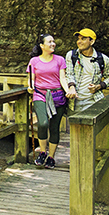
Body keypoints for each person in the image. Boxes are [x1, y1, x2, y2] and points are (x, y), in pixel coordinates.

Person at [27, 34, 74, 169]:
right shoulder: (34, 61)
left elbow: (62, 78)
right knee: (43, 123)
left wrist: (67, 91)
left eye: (53, 41)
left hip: (57, 95)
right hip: (40, 94)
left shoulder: (60, 60)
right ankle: (42, 152)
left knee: (54, 127)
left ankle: (51, 157)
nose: (53, 44)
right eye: (49, 42)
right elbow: (31, 78)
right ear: (42, 46)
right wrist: (30, 86)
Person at [65, 28, 109, 113]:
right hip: (74, 102)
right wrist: (71, 87)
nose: (79, 42)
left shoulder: (103, 59)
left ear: (92, 42)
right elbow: (69, 73)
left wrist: (98, 86)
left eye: (83, 39)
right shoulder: (72, 55)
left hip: (93, 101)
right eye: (78, 39)